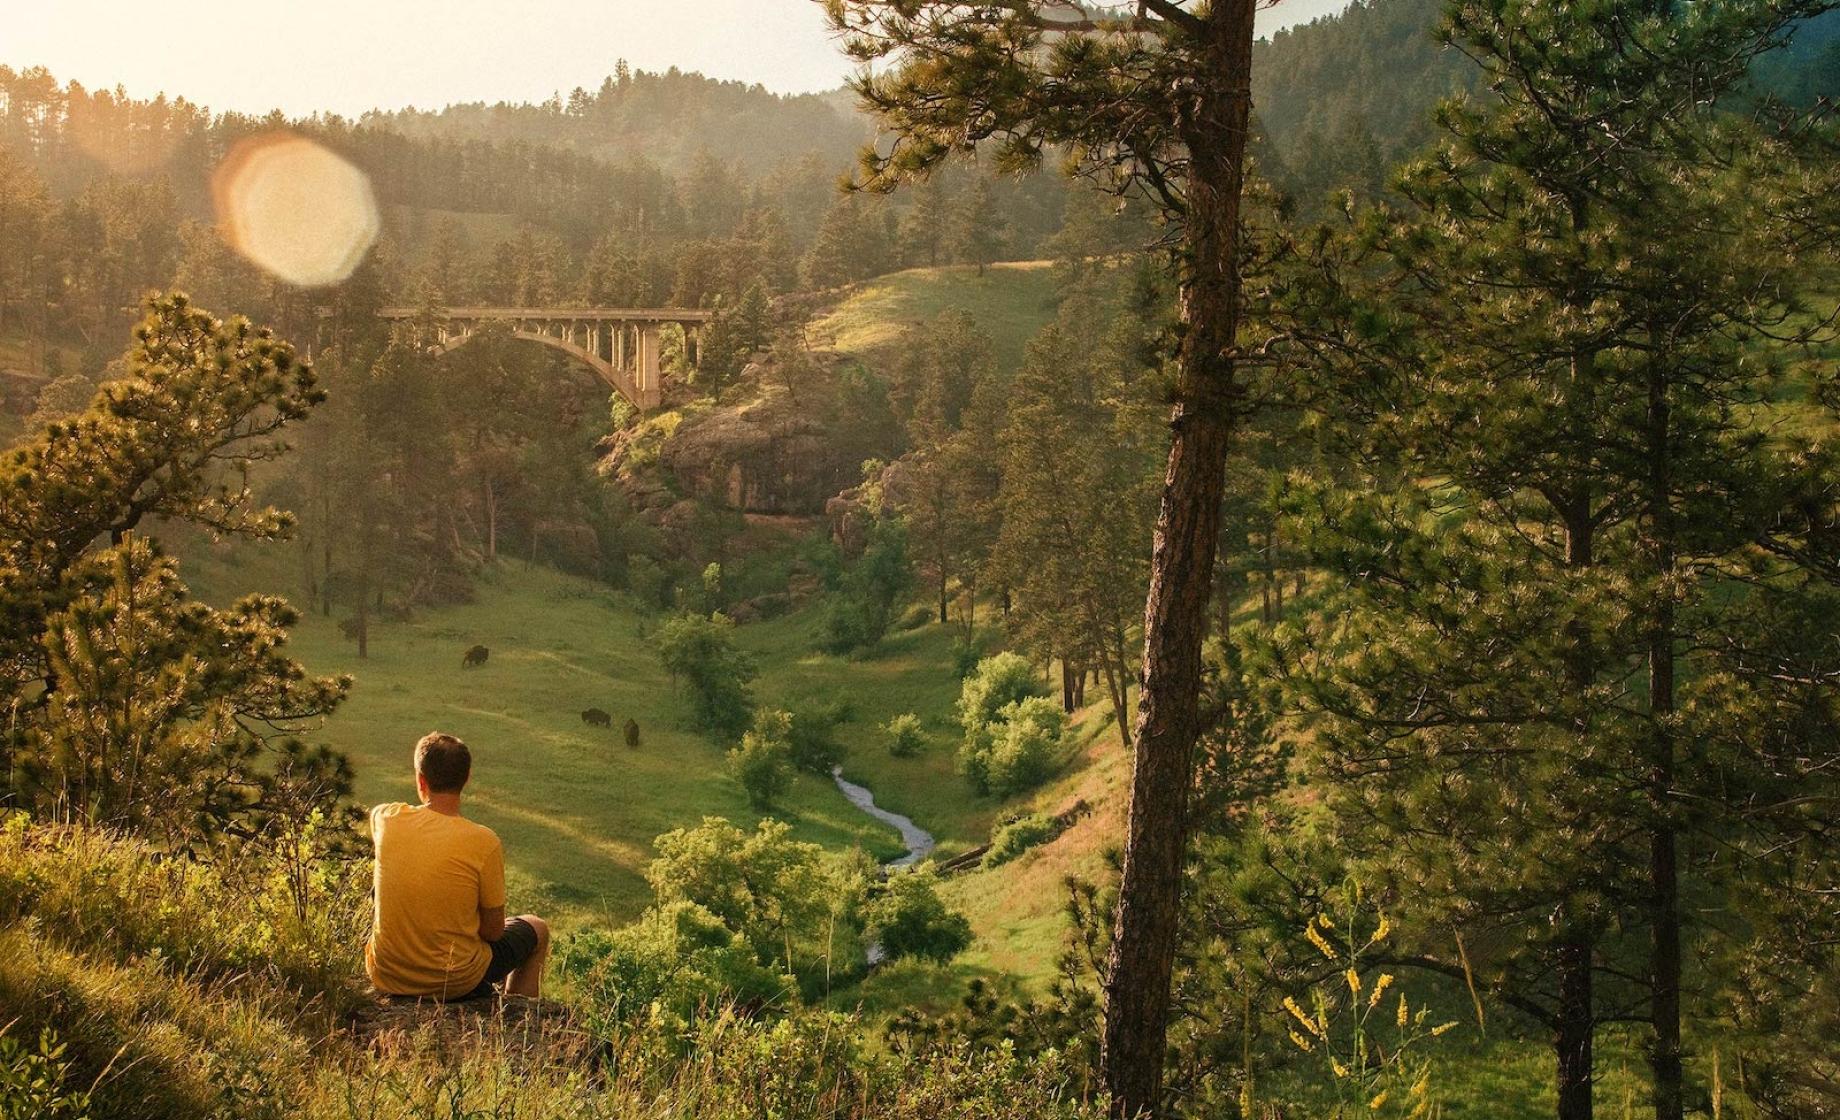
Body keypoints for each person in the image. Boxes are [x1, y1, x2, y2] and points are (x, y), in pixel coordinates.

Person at [364, 732, 550, 1000]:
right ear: (467, 777)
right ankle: (521, 1018)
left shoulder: (386, 819)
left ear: (420, 780)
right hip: (455, 980)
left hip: (386, 972)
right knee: (537, 928)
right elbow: (493, 931)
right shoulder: (484, 841)